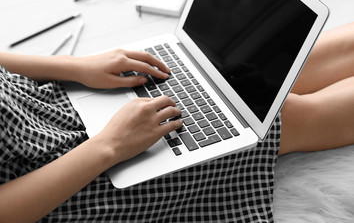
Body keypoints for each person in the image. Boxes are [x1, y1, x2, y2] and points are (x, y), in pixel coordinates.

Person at [0, 22, 354, 222]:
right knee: (272, 115)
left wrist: (74, 67)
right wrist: (109, 146)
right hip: (62, 181)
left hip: (44, 101)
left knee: (230, 73)